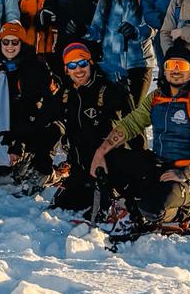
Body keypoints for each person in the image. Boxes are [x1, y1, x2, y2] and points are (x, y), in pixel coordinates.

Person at [89, 41, 190, 229]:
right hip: (159, 167)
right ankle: (132, 203)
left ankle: (183, 211)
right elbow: (130, 124)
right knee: (109, 161)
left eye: (181, 65)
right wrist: (101, 151)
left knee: (151, 207)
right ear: (164, 70)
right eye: (171, 65)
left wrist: (184, 173)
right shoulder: (156, 97)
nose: (176, 70)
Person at [48, 41, 135, 216]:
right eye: (72, 65)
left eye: (82, 63)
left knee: (99, 208)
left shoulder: (107, 90)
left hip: (106, 168)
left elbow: (132, 127)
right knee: (63, 205)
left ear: (90, 63)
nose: (78, 70)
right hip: (80, 168)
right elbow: (44, 117)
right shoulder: (66, 93)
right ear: (66, 69)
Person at [86, 0, 156, 103]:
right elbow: (97, 27)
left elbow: (155, 25)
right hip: (112, 66)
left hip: (139, 63)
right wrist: (83, 30)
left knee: (134, 111)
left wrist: (136, 31)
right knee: (113, 111)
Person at [0, 21, 55, 186]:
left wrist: (17, 142)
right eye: (5, 41)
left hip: (35, 118)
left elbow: (32, 105)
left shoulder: (35, 66)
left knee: (41, 127)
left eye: (15, 42)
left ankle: (38, 164)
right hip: (9, 119)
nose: (10, 46)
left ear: (22, 43)